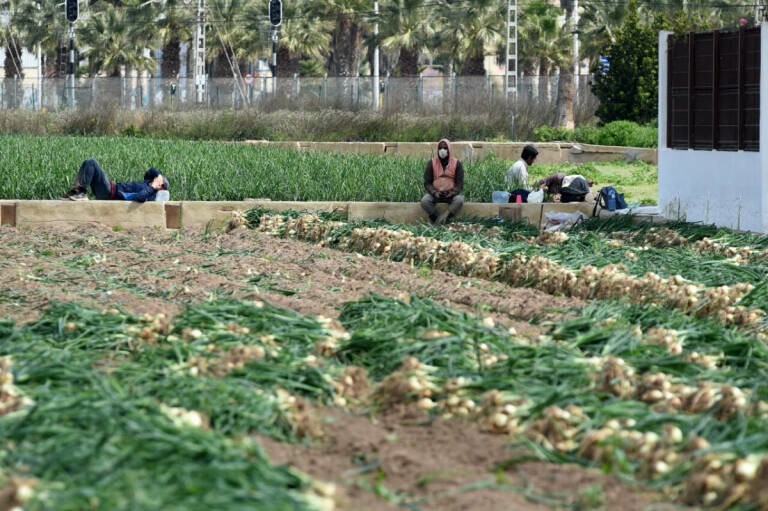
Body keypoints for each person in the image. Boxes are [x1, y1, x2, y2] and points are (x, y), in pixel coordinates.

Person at [62, 159, 170, 202]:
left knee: (91, 163)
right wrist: (158, 174)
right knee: (88, 163)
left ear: (160, 186)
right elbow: (149, 172)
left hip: (110, 192)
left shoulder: (150, 192)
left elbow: (139, 197)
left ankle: (81, 193)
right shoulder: (146, 183)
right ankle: (76, 191)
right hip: (109, 190)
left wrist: (153, 187)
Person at [420, 139, 464, 225]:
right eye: (440, 148)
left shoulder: (456, 163)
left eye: (445, 148)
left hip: (450, 194)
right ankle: (439, 219)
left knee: (459, 200)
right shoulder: (432, 163)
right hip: (436, 194)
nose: (442, 150)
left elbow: (460, 183)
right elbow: (427, 182)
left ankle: (446, 216)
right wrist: (434, 192)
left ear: (449, 149)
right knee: (425, 200)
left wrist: (453, 192)